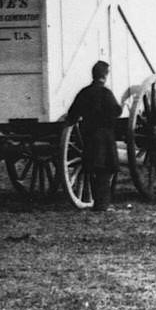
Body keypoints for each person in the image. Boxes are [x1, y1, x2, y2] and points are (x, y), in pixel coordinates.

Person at [66, 60, 122, 211]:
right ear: (105, 75)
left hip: (89, 136)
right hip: (105, 136)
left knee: (92, 168)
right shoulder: (105, 92)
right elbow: (117, 111)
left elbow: (72, 114)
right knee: (105, 170)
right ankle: (102, 205)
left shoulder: (84, 92)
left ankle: (96, 202)